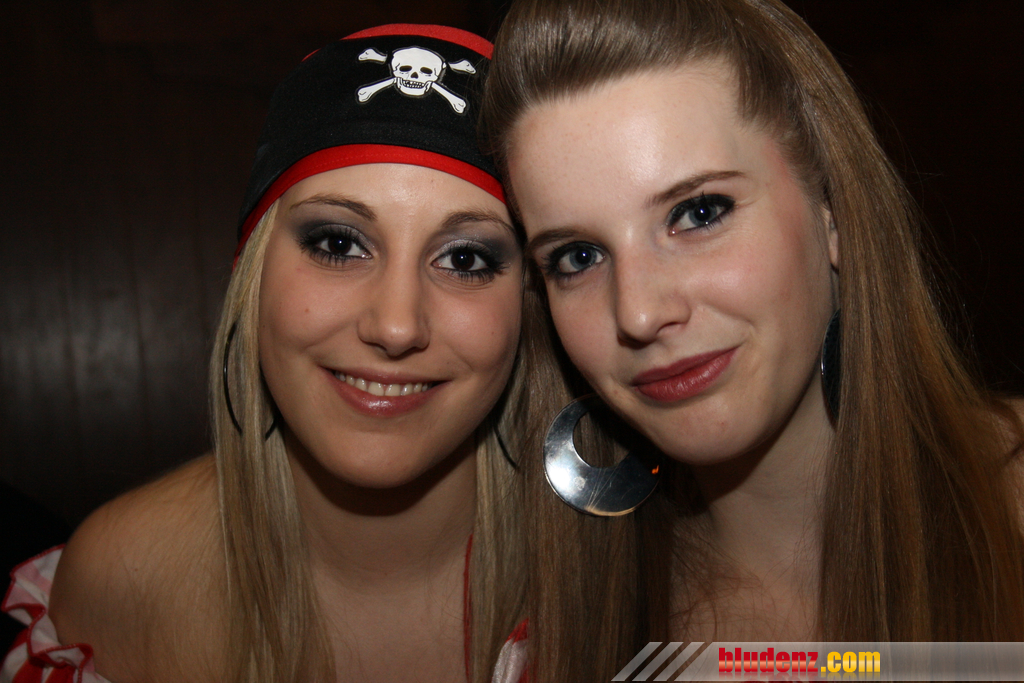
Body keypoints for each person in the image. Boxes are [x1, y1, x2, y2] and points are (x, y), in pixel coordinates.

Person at [479, 0, 1024, 680]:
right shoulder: (559, 652)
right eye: (578, 257)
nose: (640, 313)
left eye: (698, 213)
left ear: (832, 211)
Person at [3, 24, 531, 683]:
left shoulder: (631, 570)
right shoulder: (121, 579)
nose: (396, 327)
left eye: (466, 259)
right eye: (338, 244)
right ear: (252, 276)